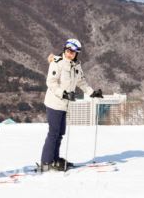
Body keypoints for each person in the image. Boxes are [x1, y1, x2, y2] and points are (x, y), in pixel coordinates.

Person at [41, 39, 103, 172]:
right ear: (64, 50)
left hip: (65, 105)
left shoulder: (76, 66)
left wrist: (92, 93)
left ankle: (55, 159)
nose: (70, 54)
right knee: (53, 133)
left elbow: (81, 82)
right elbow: (51, 83)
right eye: (68, 51)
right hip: (54, 103)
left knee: (60, 133)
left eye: (73, 53)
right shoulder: (57, 63)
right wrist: (63, 94)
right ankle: (46, 162)